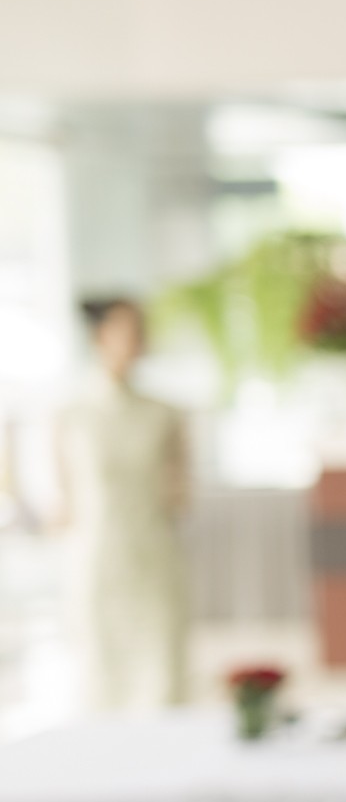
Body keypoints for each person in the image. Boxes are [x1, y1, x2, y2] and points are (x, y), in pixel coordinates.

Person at [53, 297, 188, 713]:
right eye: (127, 329)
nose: (137, 340)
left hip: (153, 556)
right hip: (96, 561)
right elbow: (63, 501)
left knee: (162, 678)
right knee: (100, 678)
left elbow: (180, 492)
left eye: (141, 329)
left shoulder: (166, 414)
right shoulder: (69, 415)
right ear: (100, 336)